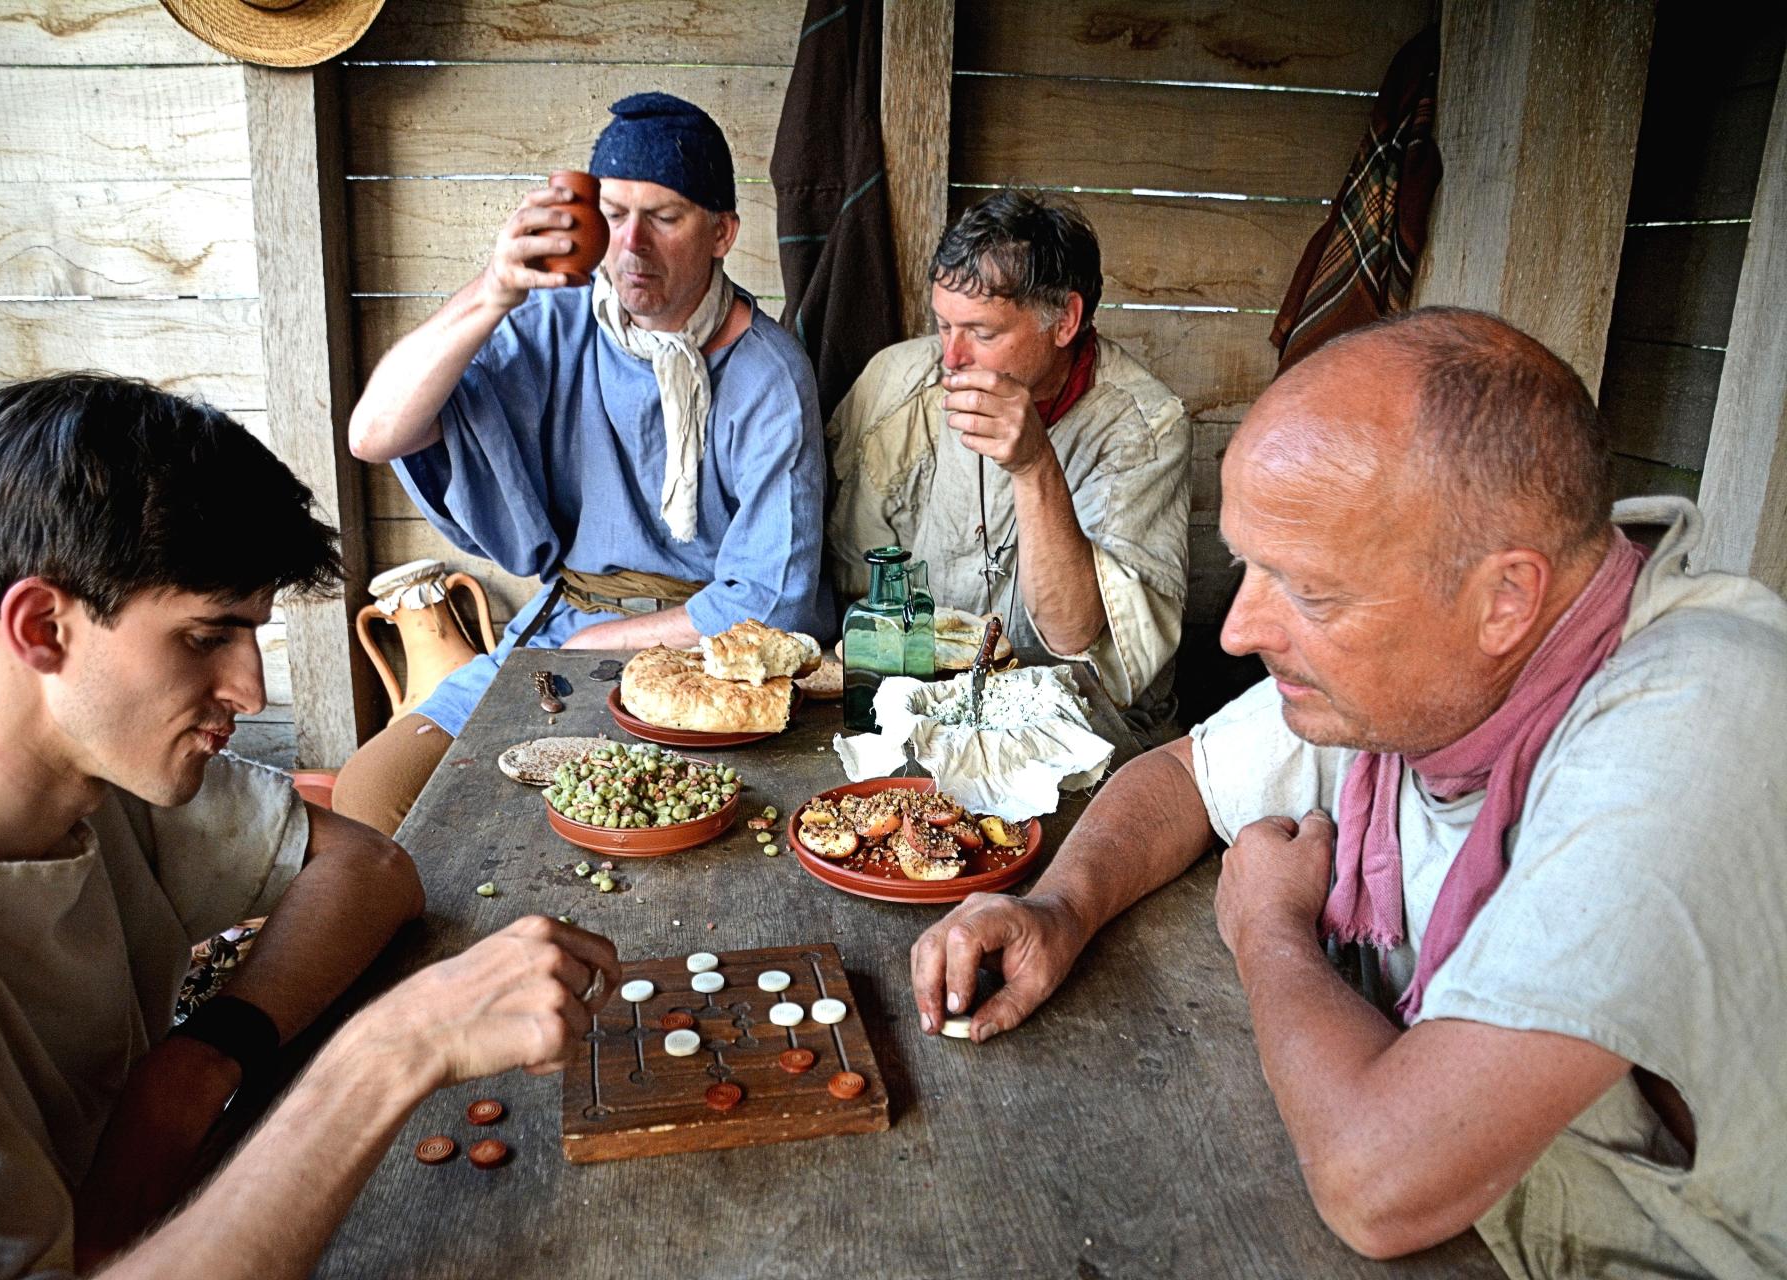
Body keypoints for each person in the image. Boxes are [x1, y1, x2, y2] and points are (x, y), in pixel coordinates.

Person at [908, 309, 1787, 1276]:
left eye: (1309, 591)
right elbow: (1183, 776)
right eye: (1250, 567)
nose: (1239, 632)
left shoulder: (1698, 722)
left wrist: (1268, 929)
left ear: (1506, 599)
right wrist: (1060, 909)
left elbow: (1379, 1184)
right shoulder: (1433, 671)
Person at [0, 373, 621, 1279]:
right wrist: (386, 1054)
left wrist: (190, 1071)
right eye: (204, 637)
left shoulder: (61, 757)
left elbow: (369, 867)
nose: (250, 691)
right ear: (40, 627)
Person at [339, 91, 834, 835]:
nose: (631, 246)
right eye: (614, 214)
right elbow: (375, 433)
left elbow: (773, 602)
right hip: (559, 631)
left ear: (722, 232)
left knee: (639, 825)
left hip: (708, 658)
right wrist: (495, 290)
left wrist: (594, 645)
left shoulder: (769, 374)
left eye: (664, 217)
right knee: (372, 794)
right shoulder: (555, 320)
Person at [826, 190, 1191, 740]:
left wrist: (1034, 464)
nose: (951, 358)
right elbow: (855, 590)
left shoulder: (1146, 429)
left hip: (1086, 731)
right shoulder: (898, 385)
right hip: (925, 715)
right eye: (943, 325)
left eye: (983, 333)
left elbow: (1076, 638)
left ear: (1065, 320)